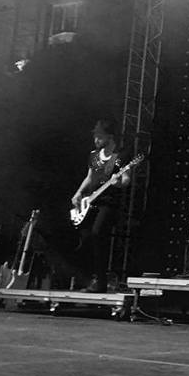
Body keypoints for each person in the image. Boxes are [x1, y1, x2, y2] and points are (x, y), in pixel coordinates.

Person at [71, 119, 131, 293]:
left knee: (98, 234)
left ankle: (101, 282)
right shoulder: (94, 156)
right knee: (85, 238)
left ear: (110, 137)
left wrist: (118, 183)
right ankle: (90, 278)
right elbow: (89, 177)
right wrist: (78, 193)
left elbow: (126, 179)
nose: (96, 140)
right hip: (91, 201)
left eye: (99, 137)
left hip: (109, 202)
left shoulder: (120, 156)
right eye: (95, 136)